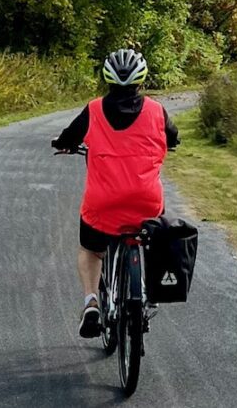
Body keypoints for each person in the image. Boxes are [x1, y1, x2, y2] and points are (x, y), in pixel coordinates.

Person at [51, 49, 180, 338]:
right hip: (146, 202)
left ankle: (92, 303)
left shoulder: (94, 110)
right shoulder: (157, 111)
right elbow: (173, 138)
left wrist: (64, 143)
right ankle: (148, 288)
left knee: (91, 250)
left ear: (107, 78)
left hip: (103, 204)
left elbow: (68, 137)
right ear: (142, 79)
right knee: (154, 234)